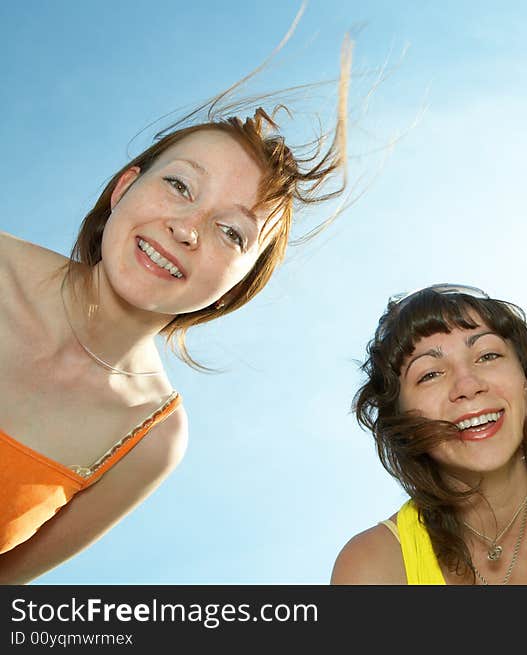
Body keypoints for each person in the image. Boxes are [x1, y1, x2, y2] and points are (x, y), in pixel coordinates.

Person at [0, 36, 350, 584]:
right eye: (179, 184)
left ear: (239, 284)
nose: (187, 229)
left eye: (231, 231)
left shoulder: (151, 439)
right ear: (123, 189)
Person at [331, 284, 527, 585]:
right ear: (400, 421)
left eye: (488, 356)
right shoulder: (374, 568)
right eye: (430, 374)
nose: (468, 386)